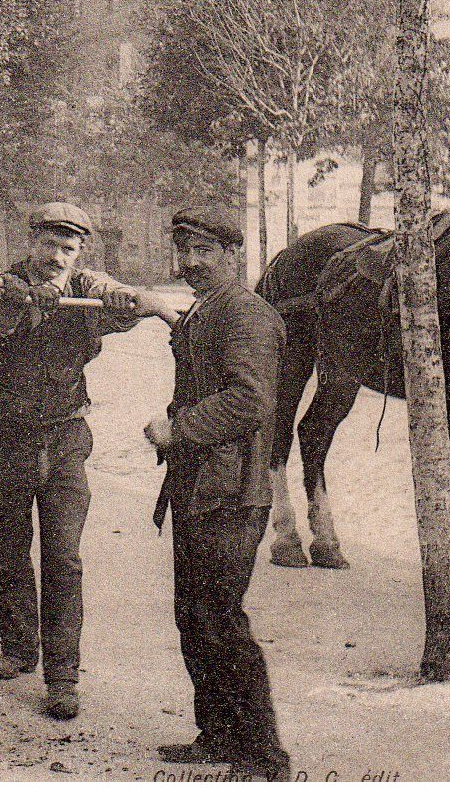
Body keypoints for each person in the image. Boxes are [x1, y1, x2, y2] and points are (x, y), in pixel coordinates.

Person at [0, 203, 172, 721]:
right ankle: (18, 648)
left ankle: (62, 675)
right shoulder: (4, 284)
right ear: (30, 242)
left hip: (63, 442)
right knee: (8, 554)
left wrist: (131, 297)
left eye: (68, 247)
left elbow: (117, 298)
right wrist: (21, 301)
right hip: (6, 438)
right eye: (47, 244)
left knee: (64, 559)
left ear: (79, 251)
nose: (56, 256)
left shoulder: (86, 288)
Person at [143, 205, 291, 782]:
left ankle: (264, 756)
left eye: (205, 251)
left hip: (233, 491)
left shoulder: (247, 314)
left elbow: (248, 399)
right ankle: (219, 734)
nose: (192, 263)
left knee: (221, 618)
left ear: (233, 256)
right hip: (200, 486)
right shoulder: (211, 309)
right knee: (195, 617)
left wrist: (177, 429)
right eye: (184, 251)